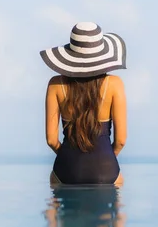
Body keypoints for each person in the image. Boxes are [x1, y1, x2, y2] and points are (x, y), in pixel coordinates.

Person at [40, 22, 127, 185]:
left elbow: (51, 140)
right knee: (118, 206)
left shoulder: (56, 84)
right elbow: (121, 140)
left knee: (54, 204)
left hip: (67, 168)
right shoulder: (115, 84)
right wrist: (104, 158)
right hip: (106, 168)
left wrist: (70, 158)